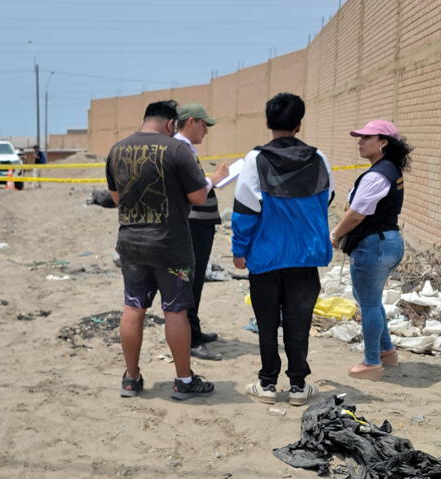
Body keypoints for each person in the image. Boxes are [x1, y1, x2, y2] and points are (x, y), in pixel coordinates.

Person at [106, 100, 228, 400]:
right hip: (170, 244)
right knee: (175, 310)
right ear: (172, 124)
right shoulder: (177, 150)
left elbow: (117, 198)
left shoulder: (117, 150)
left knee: (133, 307)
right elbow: (199, 197)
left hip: (132, 243)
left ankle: (131, 379)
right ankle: (184, 381)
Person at [231, 92, 334, 406]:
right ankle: (299, 386)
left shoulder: (255, 160)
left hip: (265, 258)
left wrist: (239, 249)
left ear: (267, 121)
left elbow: (244, 212)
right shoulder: (318, 158)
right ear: (299, 124)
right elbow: (326, 199)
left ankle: (266, 385)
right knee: (298, 322)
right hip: (304, 257)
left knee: (266, 323)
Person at [330, 120, 411, 381]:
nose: (360, 142)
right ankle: (387, 352)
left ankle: (372, 363)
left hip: (374, 244)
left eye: (367, 137)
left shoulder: (378, 174)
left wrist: (335, 234)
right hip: (387, 241)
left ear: (384, 142)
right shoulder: (389, 170)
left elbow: (356, 214)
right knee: (371, 301)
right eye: (359, 137)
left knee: (369, 304)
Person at [174, 103, 222, 361]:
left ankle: (194, 331)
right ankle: (190, 338)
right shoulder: (181, 149)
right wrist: (215, 179)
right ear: (191, 122)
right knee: (189, 282)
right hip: (192, 225)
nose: (206, 130)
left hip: (200, 224)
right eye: (204, 125)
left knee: (196, 280)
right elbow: (191, 190)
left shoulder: (185, 148)